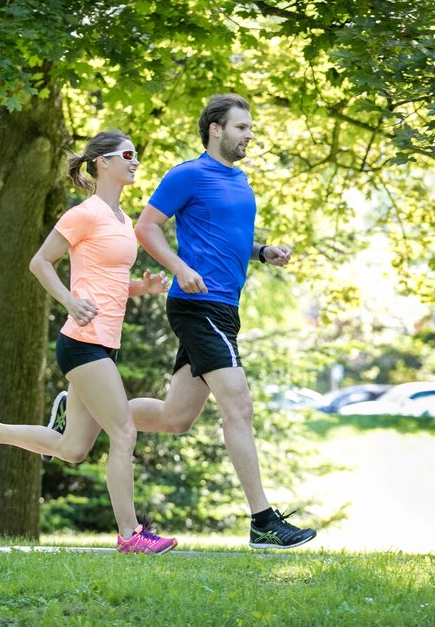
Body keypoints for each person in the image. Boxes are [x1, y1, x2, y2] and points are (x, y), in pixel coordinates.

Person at [0, 130, 177, 555]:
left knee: (73, 449)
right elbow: (40, 262)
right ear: (102, 162)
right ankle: (131, 536)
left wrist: (140, 288)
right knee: (124, 431)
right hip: (82, 343)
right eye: (127, 155)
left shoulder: (123, 221)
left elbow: (106, 282)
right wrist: (69, 301)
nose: (135, 162)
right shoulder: (84, 213)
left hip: (104, 343)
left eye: (136, 155)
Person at [128, 93, 317, 550]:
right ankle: (263, 522)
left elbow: (230, 240)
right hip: (198, 304)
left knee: (175, 418)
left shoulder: (240, 180)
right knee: (239, 407)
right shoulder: (187, 174)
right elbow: (146, 227)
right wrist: (180, 268)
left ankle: (84, 411)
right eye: (241, 128)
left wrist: (262, 253)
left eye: (250, 128)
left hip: (224, 307)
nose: (249, 135)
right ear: (215, 129)